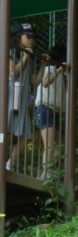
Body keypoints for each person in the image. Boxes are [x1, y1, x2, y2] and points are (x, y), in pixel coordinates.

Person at [7, 23, 46, 172]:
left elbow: (36, 81)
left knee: (26, 136)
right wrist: (24, 57)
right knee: (7, 131)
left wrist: (43, 64)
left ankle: (9, 164)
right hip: (9, 96)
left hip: (22, 100)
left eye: (33, 37)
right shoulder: (9, 51)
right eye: (28, 37)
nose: (31, 40)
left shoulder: (31, 59)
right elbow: (13, 72)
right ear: (18, 38)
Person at [33, 44, 70, 180]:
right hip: (45, 109)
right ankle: (46, 174)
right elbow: (45, 83)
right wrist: (60, 69)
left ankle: (45, 173)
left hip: (55, 112)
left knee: (60, 148)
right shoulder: (50, 68)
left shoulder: (60, 73)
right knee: (49, 146)